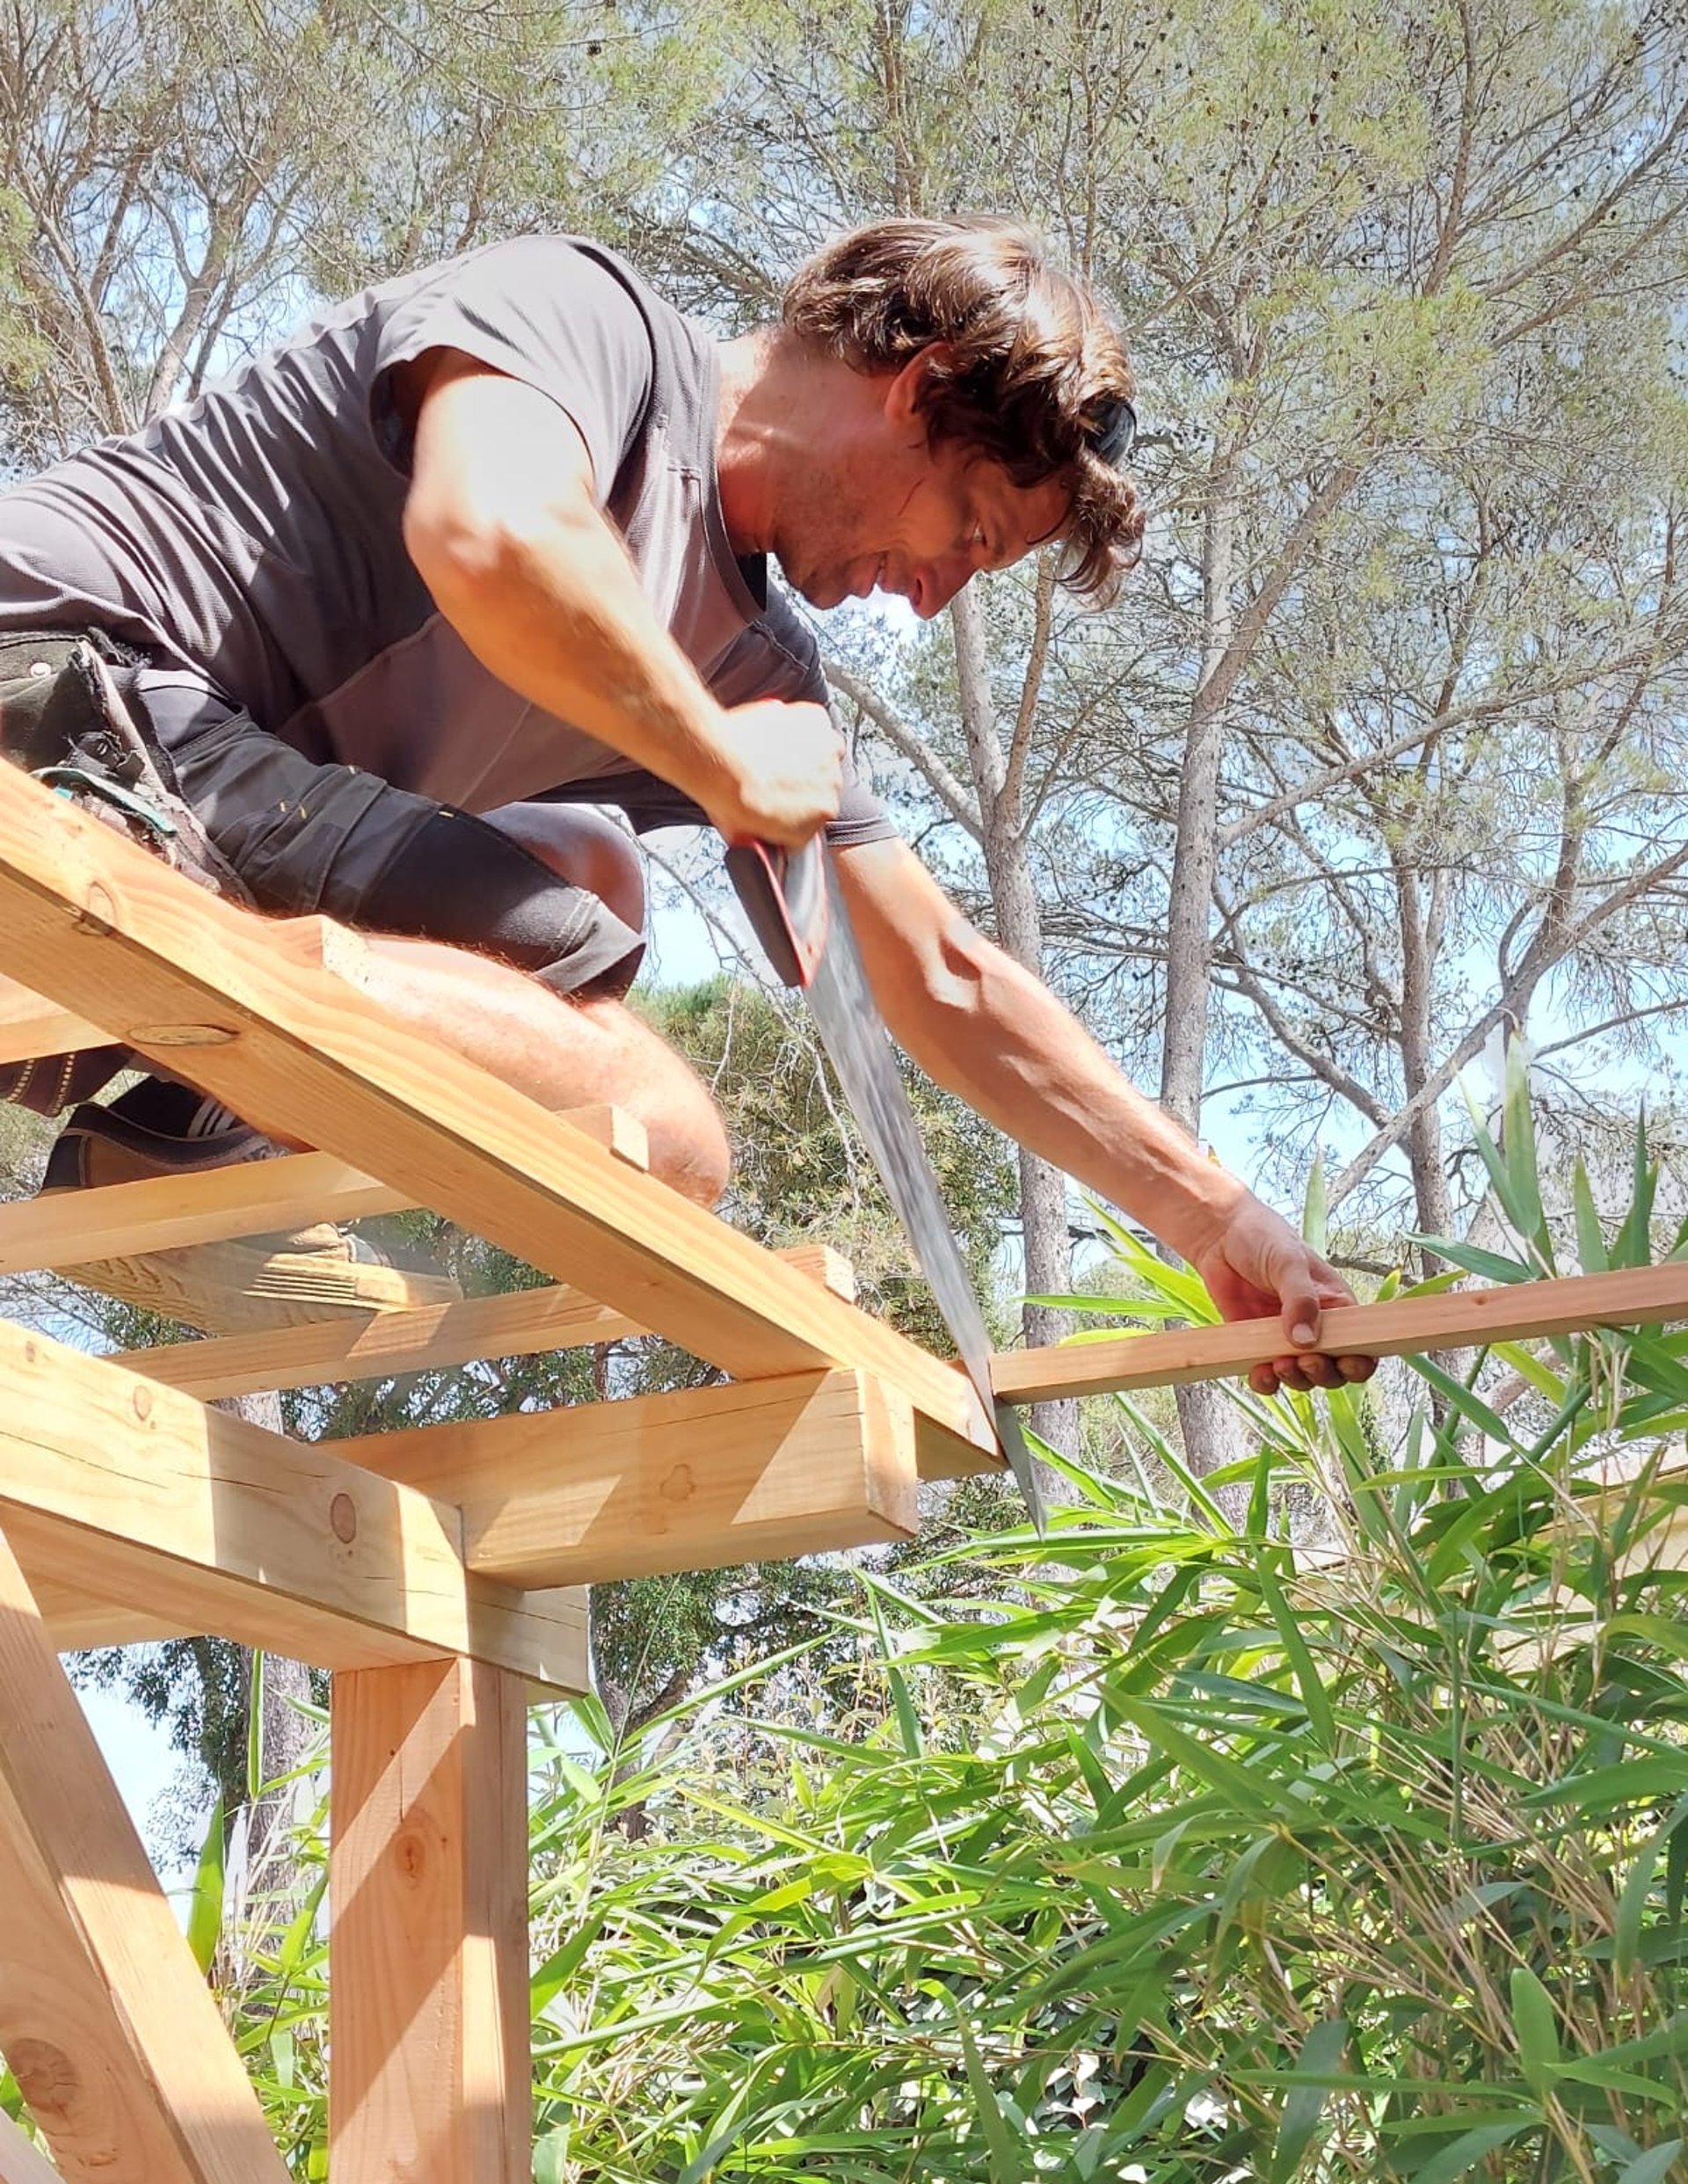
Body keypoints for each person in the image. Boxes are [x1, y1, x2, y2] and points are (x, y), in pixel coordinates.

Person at [0, 216, 1371, 1392]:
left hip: (177, 817)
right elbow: (493, 532)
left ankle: (173, 1145)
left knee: (594, 876)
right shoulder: (589, 322)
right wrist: (715, 757)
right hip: (52, 692)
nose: (940, 589)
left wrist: (1211, 1216)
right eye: (969, 529)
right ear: (922, 385)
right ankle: (213, 1103)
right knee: (651, 1112)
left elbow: (944, 980)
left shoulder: (752, 666)